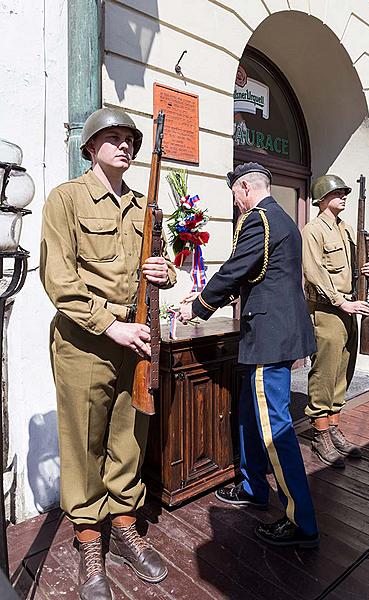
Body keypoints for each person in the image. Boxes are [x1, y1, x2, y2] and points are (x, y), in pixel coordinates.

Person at [40, 108, 176, 599]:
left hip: (134, 340)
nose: (124, 146)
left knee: (129, 438)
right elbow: (59, 280)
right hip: (85, 343)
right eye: (113, 138)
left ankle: (123, 525)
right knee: (83, 443)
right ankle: (89, 539)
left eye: (130, 140)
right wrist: (111, 325)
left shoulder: (145, 208)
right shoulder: (67, 199)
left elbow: (163, 267)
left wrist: (166, 271)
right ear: (90, 147)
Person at [178, 162, 319, 548]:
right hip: (277, 332)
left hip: (269, 338)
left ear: (243, 190)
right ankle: (253, 486)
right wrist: (209, 300)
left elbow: (239, 269)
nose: (236, 203)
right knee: (250, 413)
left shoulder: (257, 219)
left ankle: (301, 521)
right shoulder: (284, 219)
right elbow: (262, 277)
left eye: (235, 195)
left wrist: (198, 306)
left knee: (276, 429)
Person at [302, 175, 369, 468]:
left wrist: (367, 267)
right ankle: (320, 435)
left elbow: (355, 268)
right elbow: (314, 272)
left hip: (349, 307)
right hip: (327, 309)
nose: (344, 197)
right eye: (338, 193)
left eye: (346, 193)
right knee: (325, 371)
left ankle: (333, 428)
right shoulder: (313, 230)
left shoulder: (346, 230)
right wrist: (341, 302)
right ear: (322, 197)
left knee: (343, 370)